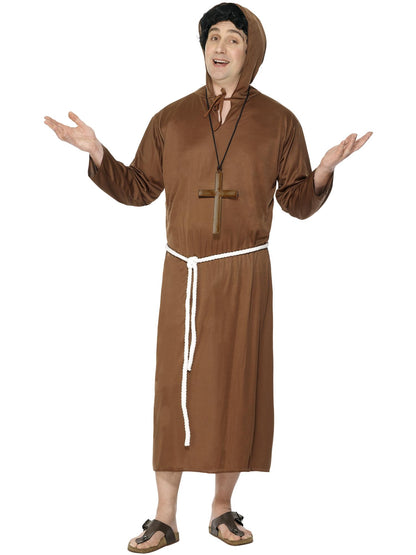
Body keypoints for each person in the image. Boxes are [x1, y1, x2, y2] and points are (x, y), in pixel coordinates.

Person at [44, 2, 372, 552]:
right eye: (213, 36)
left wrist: (323, 170)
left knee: (235, 386)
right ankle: (164, 516)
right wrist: (97, 152)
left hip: (244, 273)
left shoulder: (279, 121)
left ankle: (221, 508)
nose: (220, 47)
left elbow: (296, 202)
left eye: (233, 39)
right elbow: (139, 188)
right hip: (185, 272)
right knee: (174, 388)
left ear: (251, 51)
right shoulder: (170, 119)